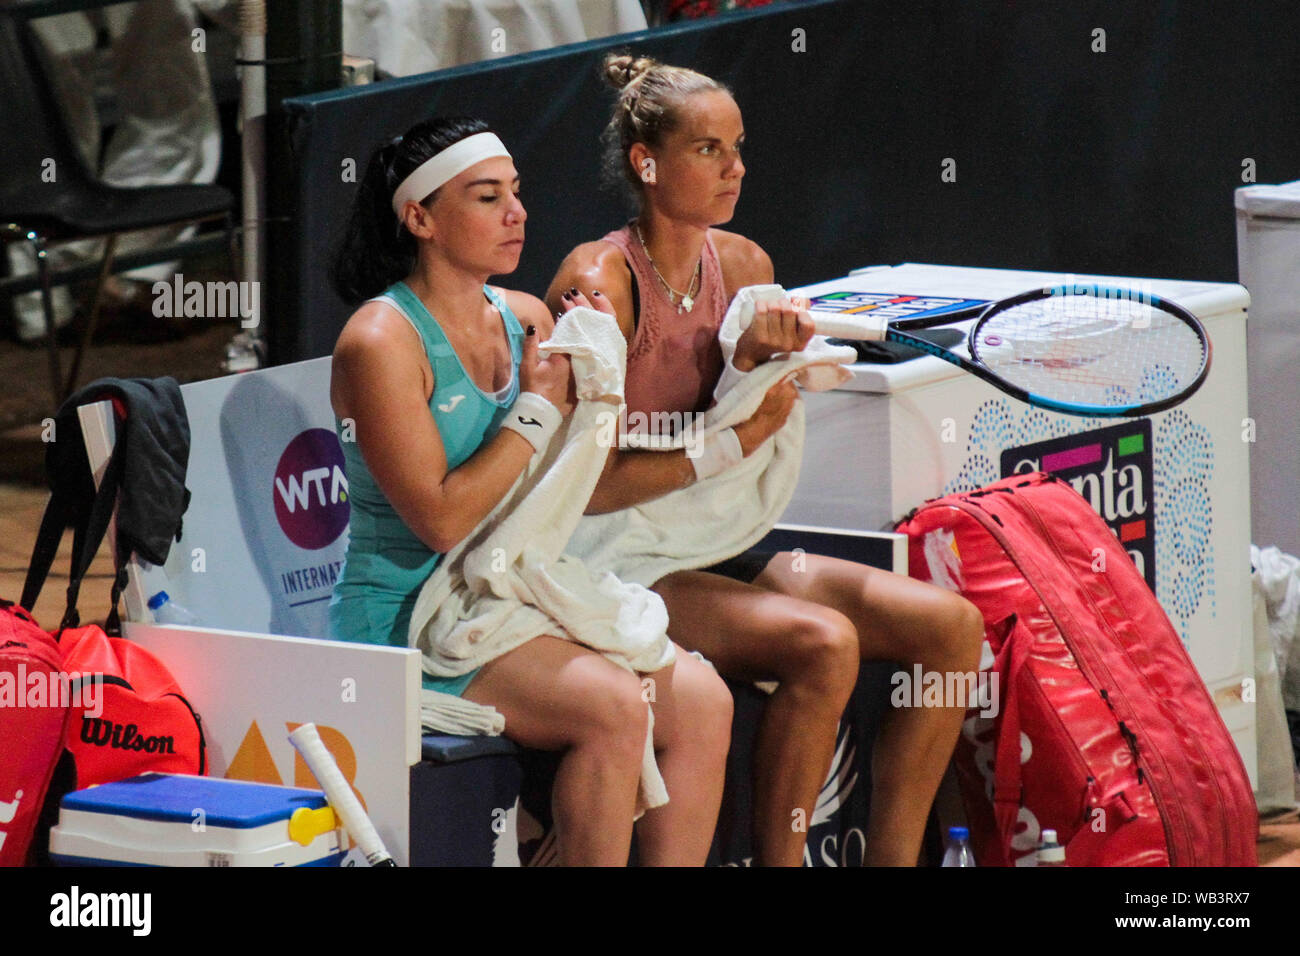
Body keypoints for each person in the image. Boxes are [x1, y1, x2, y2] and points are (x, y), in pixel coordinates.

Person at [547, 55, 985, 866]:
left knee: (951, 629)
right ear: (648, 163)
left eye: (739, 146)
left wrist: (756, 372)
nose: (736, 168)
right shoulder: (598, 279)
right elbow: (584, 485)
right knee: (823, 644)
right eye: (709, 149)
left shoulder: (744, 267)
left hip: (708, 543)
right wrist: (735, 433)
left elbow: (747, 419)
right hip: (608, 560)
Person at [328, 117, 732, 866]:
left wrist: (601, 376)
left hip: (512, 594)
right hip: (405, 621)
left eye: (516, 193)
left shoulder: (526, 319)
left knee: (705, 701)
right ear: (419, 217)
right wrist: (540, 407)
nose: (517, 213)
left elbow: (560, 488)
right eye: (487, 198)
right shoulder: (380, 340)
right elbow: (443, 520)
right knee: (614, 706)